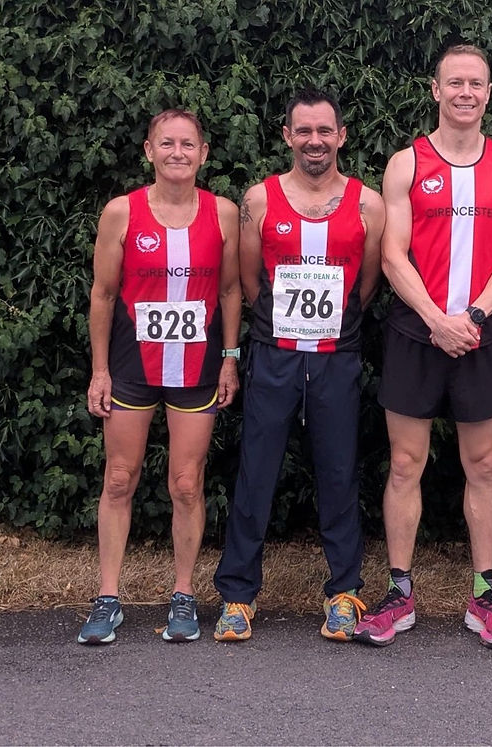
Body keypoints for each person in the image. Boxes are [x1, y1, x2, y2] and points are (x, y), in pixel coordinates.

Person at [353, 44, 492, 649]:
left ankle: (484, 596)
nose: (465, 93)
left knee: (482, 464)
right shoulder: (405, 164)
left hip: (482, 334)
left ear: (488, 92)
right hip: (415, 332)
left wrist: (472, 315)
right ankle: (400, 593)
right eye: (454, 83)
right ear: (435, 90)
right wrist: (436, 317)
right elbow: (391, 254)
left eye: (475, 83)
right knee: (405, 463)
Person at [212, 89, 385, 643]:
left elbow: (368, 283)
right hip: (274, 353)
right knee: (257, 471)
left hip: (338, 355)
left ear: (342, 136)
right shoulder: (258, 200)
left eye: (324, 131)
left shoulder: (368, 202)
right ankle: (238, 595)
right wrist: (240, 352)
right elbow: (247, 281)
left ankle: (343, 591)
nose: (315, 141)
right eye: (303, 131)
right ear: (287, 136)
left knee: (338, 471)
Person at [81, 109, 241, 644]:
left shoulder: (222, 213)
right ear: (149, 151)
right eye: (166, 144)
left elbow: (230, 293)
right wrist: (99, 369)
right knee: (119, 478)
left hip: (195, 370)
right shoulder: (121, 213)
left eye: (187, 144)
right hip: (131, 367)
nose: (177, 153)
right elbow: (102, 296)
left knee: (186, 484)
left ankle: (183, 595)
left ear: (204, 153)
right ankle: (108, 597)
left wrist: (230, 357)